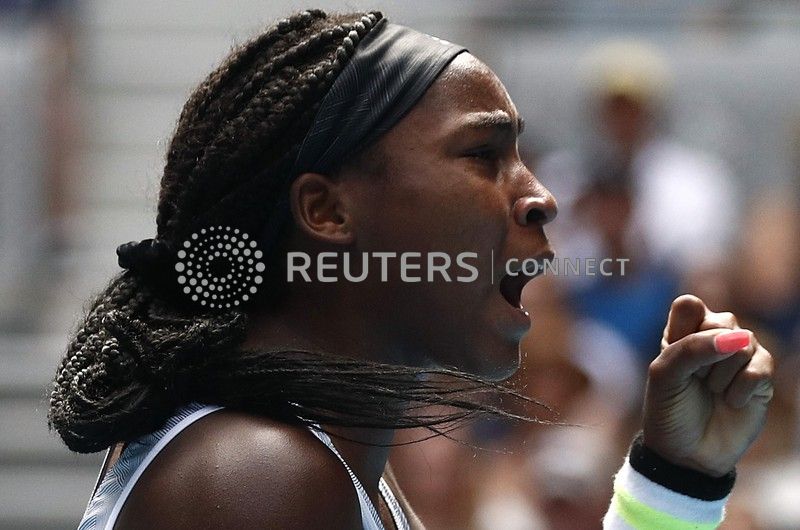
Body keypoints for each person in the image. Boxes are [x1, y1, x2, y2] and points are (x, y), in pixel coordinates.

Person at [48, 10, 774, 529]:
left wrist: (675, 479)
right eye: (483, 155)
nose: (542, 196)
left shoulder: (319, 463)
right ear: (327, 210)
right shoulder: (257, 478)